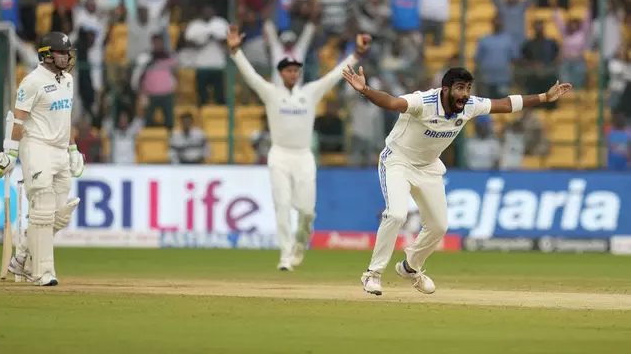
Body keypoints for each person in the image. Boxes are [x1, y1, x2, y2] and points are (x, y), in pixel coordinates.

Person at [342, 63, 571, 296]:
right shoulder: (423, 102)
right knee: (396, 214)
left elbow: (506, 104)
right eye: (459, 88)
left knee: (439, 226)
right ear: (445, 89)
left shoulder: (469, 106)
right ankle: (373, 274)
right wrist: (365, 89)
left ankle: (410, 267)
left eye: (468, 88)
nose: (464, 94)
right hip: (398, 161)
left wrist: (544, 97)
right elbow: (392, 103)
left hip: (429, 167)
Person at [227, 24, 371, 271]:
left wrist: (356, 55)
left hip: (304, 156)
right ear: (281, 73)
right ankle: (285, 255)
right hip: (279, 155)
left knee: (306, 212)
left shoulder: (310, 93)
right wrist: (235, 52)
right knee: (282, 205)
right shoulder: (272, 93)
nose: (293, 74)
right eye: (288, 70)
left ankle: (300, 244)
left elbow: (335, 74)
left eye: (296, 70)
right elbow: (251, 77)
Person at [0, 32, 85, 286]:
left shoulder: (67, 80)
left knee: (59, 214)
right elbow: (19, 119)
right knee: (43, 207)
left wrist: (73, 149)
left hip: (59, 149)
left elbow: (65, 120)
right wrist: (11, 152)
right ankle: (42, 273)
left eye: (68, 52)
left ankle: (21, 255)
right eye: (61, 52)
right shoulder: (32, 82)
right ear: (46, 55)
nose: (67, 56)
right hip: (37, 147)